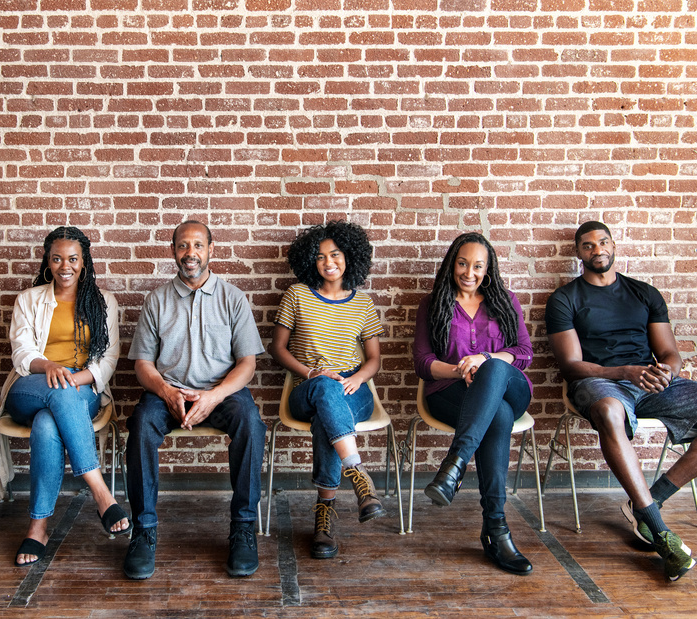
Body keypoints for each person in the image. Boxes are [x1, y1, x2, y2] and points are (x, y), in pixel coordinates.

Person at [546, 220, 697, 581]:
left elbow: (670, 352)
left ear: (614, 246)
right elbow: (572, 366)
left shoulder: (644, 293)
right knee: (609, 412)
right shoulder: (565, 298)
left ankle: (645, 504)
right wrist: (625, 372)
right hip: (601, 383)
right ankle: (659, 531)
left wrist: (666, 373)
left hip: (651, 383)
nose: (598, 250)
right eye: (589, 245)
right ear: (578, 252)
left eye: (603, 242)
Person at [123, 220, 266, 580]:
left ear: (211, 249)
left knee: (251, 423)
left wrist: (214, 396)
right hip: (167, 391)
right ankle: (143, 530)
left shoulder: (233, 298)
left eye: (198, 245)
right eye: (183, 246)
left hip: (221, 392)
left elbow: (247, 365)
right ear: (173, 251)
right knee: (140, 426)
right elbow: (143, 364)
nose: (191, 253)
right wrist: (168, 392)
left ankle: (244, 528)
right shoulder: (156, 300)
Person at [0, 226, 128, 566]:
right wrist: (49, 366)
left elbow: (107, 360)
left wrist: (73, 378)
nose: (64, 266)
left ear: (84, 262)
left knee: (46, 424)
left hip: (81, 389)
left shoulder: (104, 303)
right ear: (48, 261)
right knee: (57, 400)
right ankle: (101, 493)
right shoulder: (29, 299)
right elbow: (22, 354)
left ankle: (37, 526)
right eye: (57, 259)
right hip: (31, 385)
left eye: (72, 259)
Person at [412, 232, 535, 575]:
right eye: (463, 263)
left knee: (493, 367)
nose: (469, 272)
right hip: (451, 392)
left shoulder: (505, 301)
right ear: (452, 265)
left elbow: (524, 354)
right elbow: (422, 362)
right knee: (497, 416)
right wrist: (459, 369)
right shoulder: (433, 304)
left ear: (488, 269)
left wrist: (485, 361)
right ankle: (496, 529)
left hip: (511, 386)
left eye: (477, 265)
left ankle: (455, 462)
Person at [268, 220, 387, 560]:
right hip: (308, 384)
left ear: (349, 257)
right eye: (320, 257)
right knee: (323, 390)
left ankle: (324, 519)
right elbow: (278, 349)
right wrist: (312, 371)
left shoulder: (362, 304)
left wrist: (359, 377)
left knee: (327, 420)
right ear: (311, 261)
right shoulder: (297, 294)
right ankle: (357, 473)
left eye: (335, 254)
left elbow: (375, 358)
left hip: (353, 388)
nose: (328, 262)